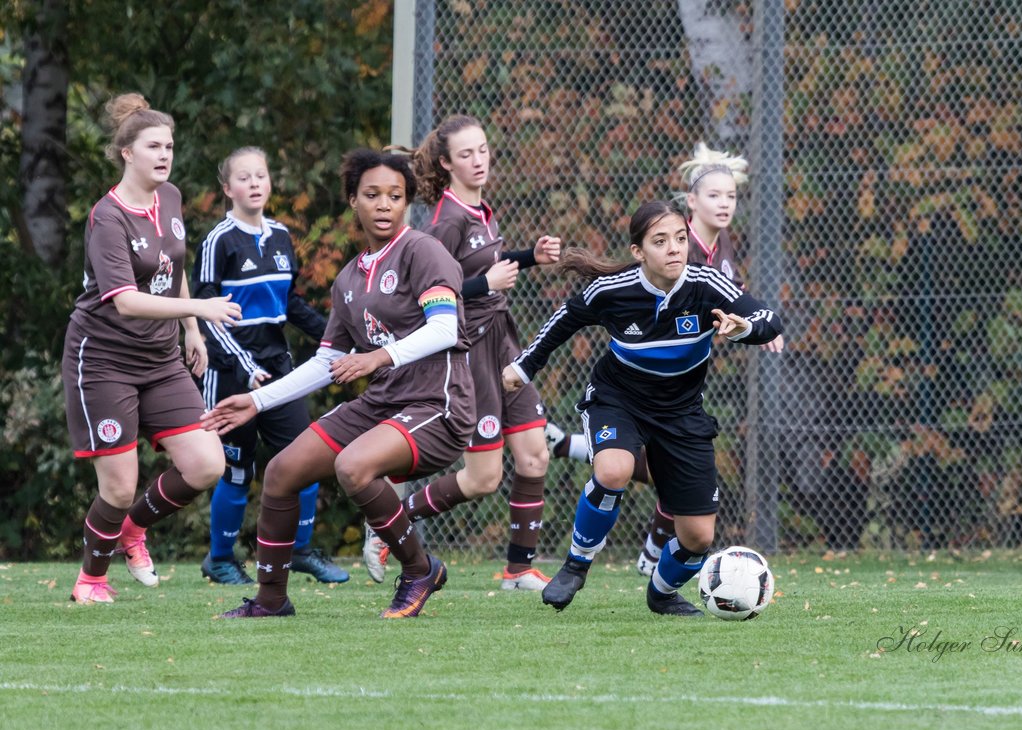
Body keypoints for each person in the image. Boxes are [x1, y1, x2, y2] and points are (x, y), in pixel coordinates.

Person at [202, 148, 473, 619]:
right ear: (353, 200)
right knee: (283, 472)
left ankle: (418, 569)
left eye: (395, 195)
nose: (384, 204)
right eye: (372, 195)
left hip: (437, 401)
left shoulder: (422, 251)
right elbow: (325, 360)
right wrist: (256, 401)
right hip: (384, 402)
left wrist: (376, 357)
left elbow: (444, 329)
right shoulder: (349, 277)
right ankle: (271, 600)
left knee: (353, 467)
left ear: (407, 201)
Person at [503, 200, 782, 616]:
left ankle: (662, 593)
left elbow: (768, 318)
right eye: (661, 241)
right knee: (613, 469)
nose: (674, 248)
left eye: (681, 239)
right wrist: (523, 368)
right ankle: (576, 565)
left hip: (682, 412)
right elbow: (563, 322)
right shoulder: (613, 291)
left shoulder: (706, 285)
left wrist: (746, 328)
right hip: (619, 400)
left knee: (698, 537)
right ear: (639, 252)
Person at [545, 143, 779, 577]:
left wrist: (749, 327)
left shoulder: (718, 257)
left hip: (682, 393)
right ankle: (612, 552)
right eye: (714, 195)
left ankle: (656, 557)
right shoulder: (676, 248)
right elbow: (575, 314)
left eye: (730, 196)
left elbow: (753, 309)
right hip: (632, 389)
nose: (724, 203)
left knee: (677, 492)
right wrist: (524, 367)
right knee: (622, 467)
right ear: (690, 204)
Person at [61, 93, 241, 604]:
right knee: (118, 486)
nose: (164, 155)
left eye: (170, 146)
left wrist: (191, 329)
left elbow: (170, 273)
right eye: (153, 146)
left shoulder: (172, 197)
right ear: (127, 153)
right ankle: (91, 579)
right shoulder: (108, 217)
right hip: (104, 359)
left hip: (161, 358)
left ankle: (133, 531)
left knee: (207, 464)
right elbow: (126, 302)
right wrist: (203, 308)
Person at [368, 115, 561, 592]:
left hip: (503, 341)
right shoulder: (446, 220)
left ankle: (519, 569)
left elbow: (485, 265)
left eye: (484, 150)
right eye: (467, 154)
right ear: (447, 163)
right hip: (470, 351)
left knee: (535, 454)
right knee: (482, 478)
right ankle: (389, 524)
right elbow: (433, 290)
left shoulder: (478, 210)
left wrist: (528, 256)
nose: (479, 161)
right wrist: (485, 284)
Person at [194, 146, 348, 585]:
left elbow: (291, 304)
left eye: (260, 175)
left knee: (306, 459)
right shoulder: (218, 240)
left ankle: (299, 551)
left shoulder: (280, 235)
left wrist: (340, 338)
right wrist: (244, 366)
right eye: (244, 177)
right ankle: (221, 559)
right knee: (238, 470)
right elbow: (207, 313)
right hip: (230, 374)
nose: (254, 183)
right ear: (227, 189)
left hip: (278, 368)